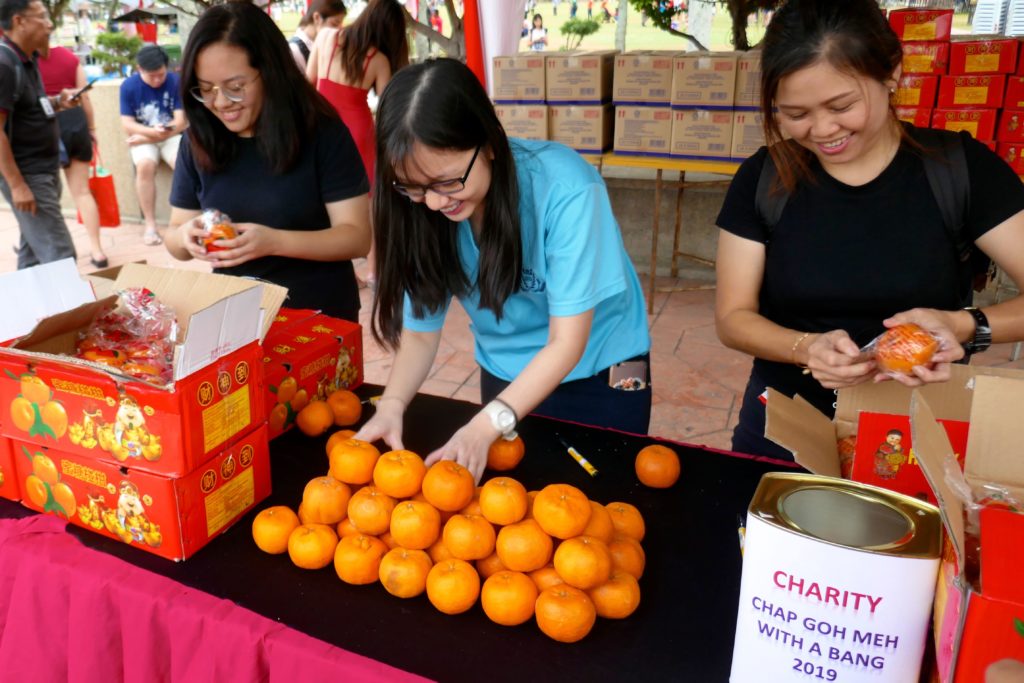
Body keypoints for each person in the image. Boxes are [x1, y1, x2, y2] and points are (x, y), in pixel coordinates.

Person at [714, 0, 1024, 461]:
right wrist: (805, 348)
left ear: (892, 73)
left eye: (841, 105)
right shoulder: (766, 179)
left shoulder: (960, 171)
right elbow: (733, 317)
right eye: (795, 113)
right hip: (788, 423)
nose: (822, 130)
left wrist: (964, 325)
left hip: (920, 431)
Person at [354, 59, 651, 482]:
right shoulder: (420, 212)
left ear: (489, 142)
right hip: (508, 373)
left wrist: (485, 424)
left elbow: (567, 342)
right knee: (513, 507)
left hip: (603, 372)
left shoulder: (566, 190)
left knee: (605, 501)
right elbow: (420, 330)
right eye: (415, 187)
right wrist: (393, 404)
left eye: (448, 181)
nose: (436, 203)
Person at [165, 1, 370, 322]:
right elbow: (175, 237)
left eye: (235, 88)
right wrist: (185, 236)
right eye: (205, 89)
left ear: (271, 72)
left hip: (317, 316)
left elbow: (357, 237)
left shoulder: (322, 134)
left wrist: (274, 242)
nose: (219, 102)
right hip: (234, 316)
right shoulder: (197, 141)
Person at [307, 0, 408, 287]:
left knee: (323, 198)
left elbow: (308, 80)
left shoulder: (326, 36)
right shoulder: (378, 60)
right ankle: (375, 270)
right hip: (358, 129)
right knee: (368, 200)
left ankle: (344, 270)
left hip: (321, 123)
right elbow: (390, 105)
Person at [0, 0, 79, 270]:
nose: (50, 24)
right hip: (27, 174)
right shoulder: (4, 64)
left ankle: (25, 311)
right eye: (42, 17)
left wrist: (59, 102)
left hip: (42, 170)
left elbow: (29, 108)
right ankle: (71, 311)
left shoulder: (26, 59)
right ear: (19, 21)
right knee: (60, 257)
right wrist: (17, 185)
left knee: (33, 254)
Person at [38, 43, 107, 268]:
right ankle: (97, 251)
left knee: (46, 198)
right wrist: (92, 129)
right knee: (82, 192)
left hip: (42, 125)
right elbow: (84, 96)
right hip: (74, 122)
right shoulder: (68, 57)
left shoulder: (24, 59)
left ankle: (55, 256)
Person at [119, 44, 186, 246]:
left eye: (161, 75)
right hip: (144, 134)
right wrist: (151, 135)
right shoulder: (128, 86)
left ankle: (184, 220)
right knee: (145, 166)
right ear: (139, 69)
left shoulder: (175, 82)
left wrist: (147, 138)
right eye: (151, 76)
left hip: (168, 135)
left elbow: (180, 122)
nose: (157, 80)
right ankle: (150, 225)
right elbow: (127, 124)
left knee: (183, 164)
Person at [288, 0, 346, 73]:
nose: (338, 30)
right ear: (317, 18)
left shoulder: (326, 44)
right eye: (334, 24)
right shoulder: (295, 50)